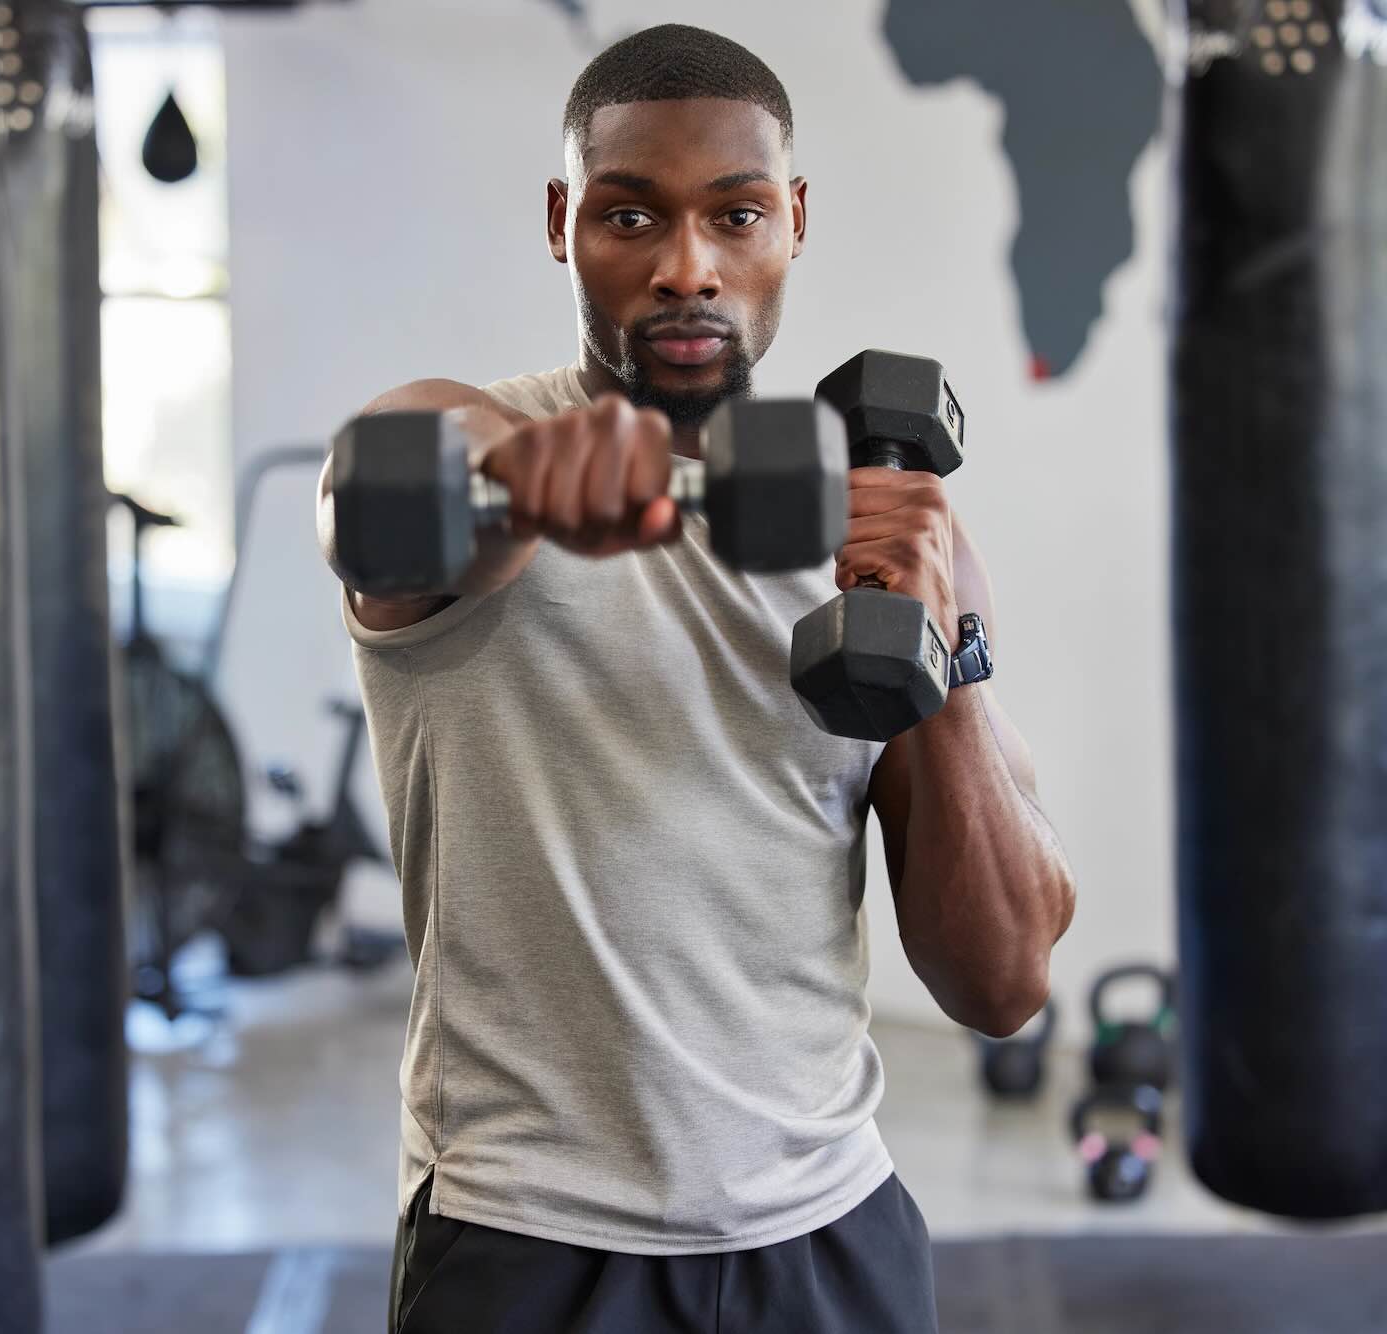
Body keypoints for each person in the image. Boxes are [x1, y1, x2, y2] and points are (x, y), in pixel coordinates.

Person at [314, 23, 1077, 1334]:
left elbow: (1002, 981)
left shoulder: (888, 532)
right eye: (631, 217)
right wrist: (522, 482)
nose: (686, 269)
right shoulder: (464, 483)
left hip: (827, 1236)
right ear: (563, 223)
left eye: (734, 215)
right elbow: (384, 467)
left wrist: (936, 647)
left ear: (793, 222)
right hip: (526, 1241)